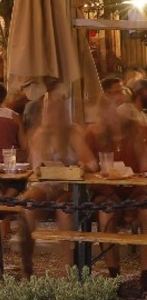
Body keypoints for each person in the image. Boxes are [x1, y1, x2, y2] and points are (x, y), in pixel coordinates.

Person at [19, 91, 97, 276]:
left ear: (61, 113)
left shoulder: (72, 132)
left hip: (70, 187)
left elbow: (92, 163)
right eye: (45, 109)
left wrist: (82, 165)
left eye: (52, 110)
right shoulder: (38, 135)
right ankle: (26, 266)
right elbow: (36, 169)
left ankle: (68, 269)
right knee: (26, 206)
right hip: (45, 186)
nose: (47, 113)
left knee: (64, 210)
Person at [85, 96, 147, 284]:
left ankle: (145, 277)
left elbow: (144, 166)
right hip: (106, 192)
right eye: (113, 106)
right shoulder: (93, 134)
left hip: (137, 191)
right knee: (106, 214)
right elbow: (89, 169)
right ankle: (114, 276)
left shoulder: (138, 131)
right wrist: (88, 165)